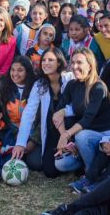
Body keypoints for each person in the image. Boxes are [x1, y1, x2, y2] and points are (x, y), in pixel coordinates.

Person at [12, 48, 73, 178]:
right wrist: (20, 143)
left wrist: (63, 112)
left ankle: (77, 160)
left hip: (71, 129)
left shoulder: (70, 79)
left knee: (59, 164)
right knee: (47, 170)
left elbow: (78, 107)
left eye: (51, 60)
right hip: (51, 131)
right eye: (44, 60)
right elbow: (29, 113)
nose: (46, 63)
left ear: (59, 62)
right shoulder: (40, 84)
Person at [52, 48, 110, 174]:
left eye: (79, 62)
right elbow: (57, 113)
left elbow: (87, 119)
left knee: (82, 136)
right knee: (60, 164)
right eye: (73, 62)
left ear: (90, 65)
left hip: (102, 135)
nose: (75, 66)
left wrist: (65, 135)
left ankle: (91, 174)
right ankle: (85, 161)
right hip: (82, 138)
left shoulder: (98, 87)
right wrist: (67, 142)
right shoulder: (71, 85)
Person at [0, 56, 35, 127]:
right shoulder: (3, 86)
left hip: (30, 130)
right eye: (12, 70)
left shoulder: (36, 88)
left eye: (20, 70)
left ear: (28, 71)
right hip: (8, 128)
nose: (15, 74)